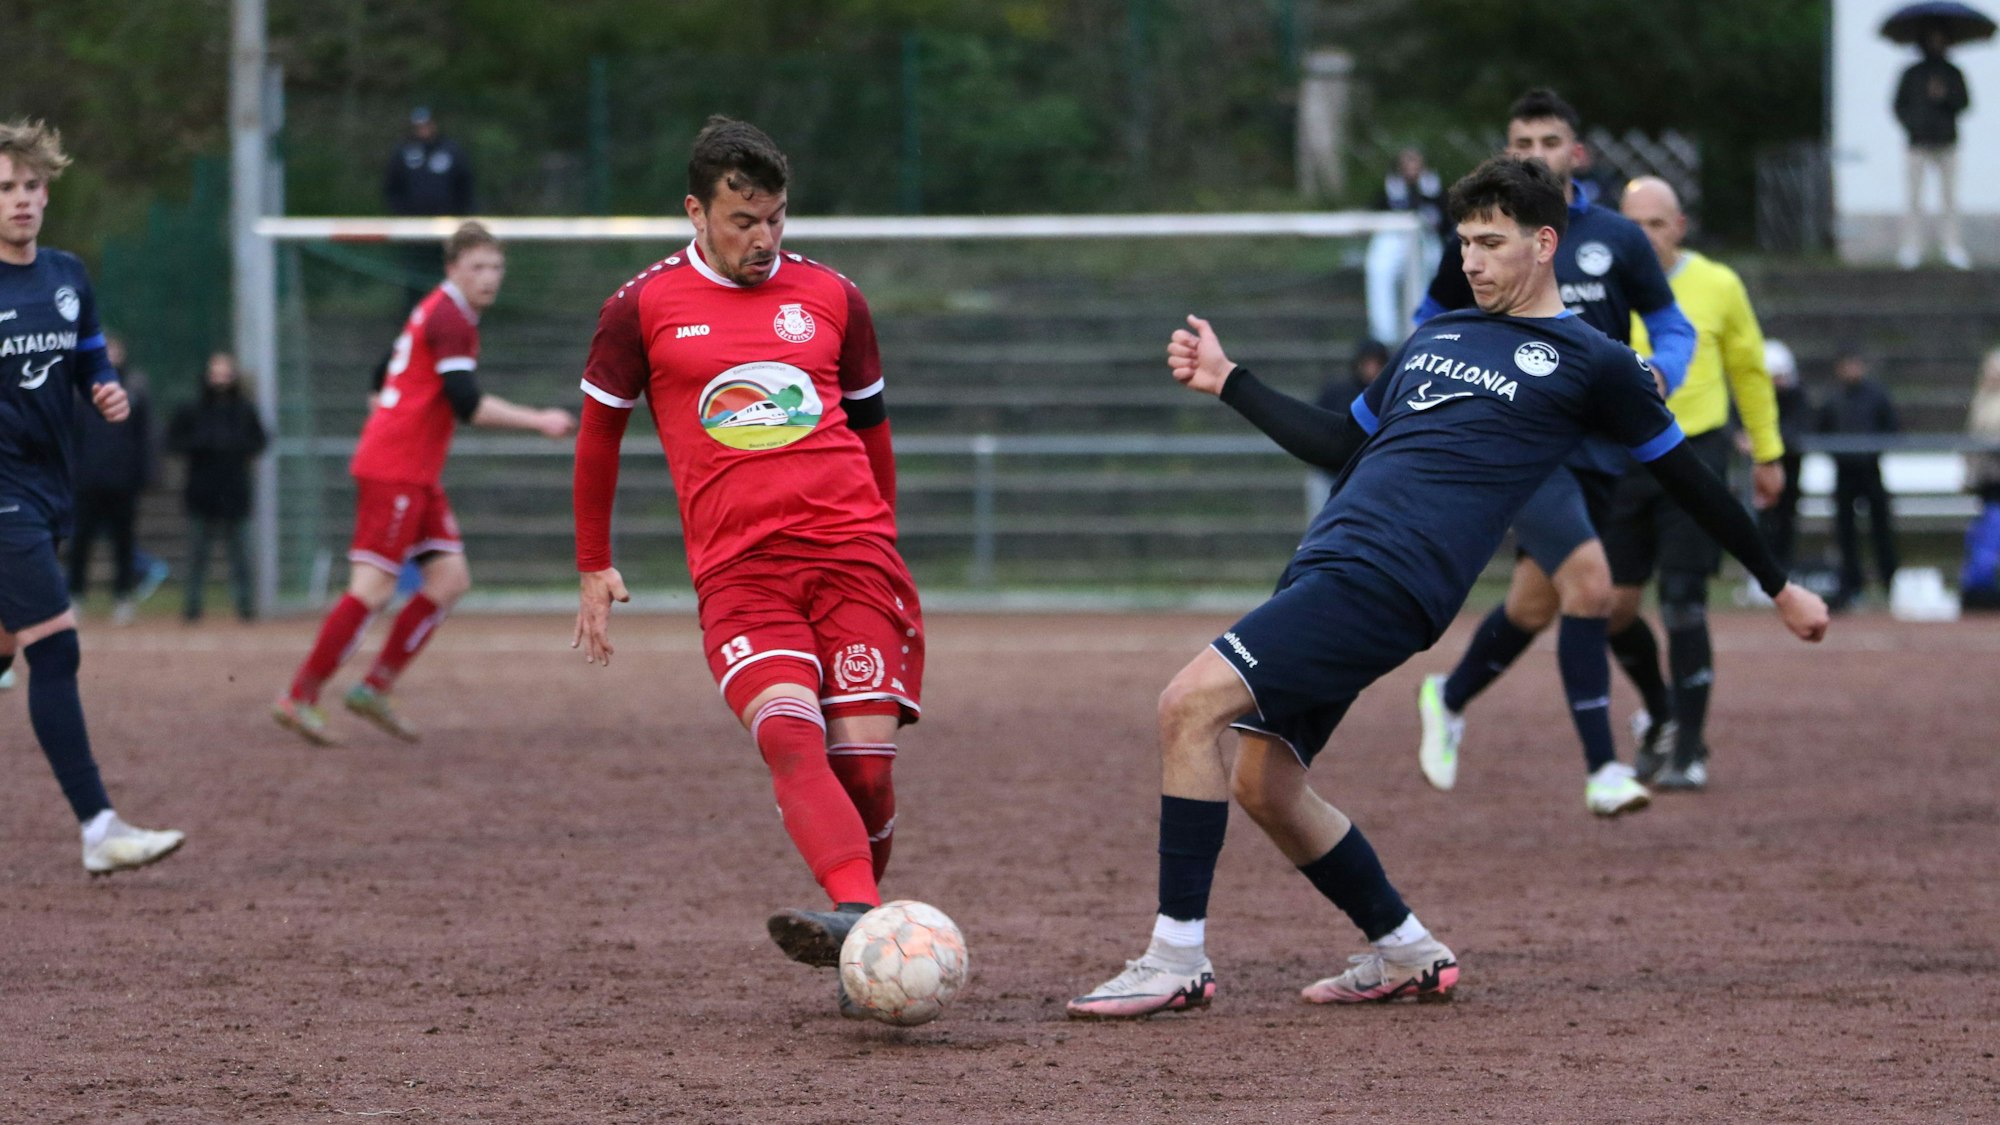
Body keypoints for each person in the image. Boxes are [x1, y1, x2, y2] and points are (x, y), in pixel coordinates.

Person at [1065, 157, 1828, 1020]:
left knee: (1187, 703)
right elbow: (1339, 445)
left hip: (1392, 578)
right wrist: (1230, 380)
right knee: (1266, 782)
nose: (1473, 259)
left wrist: (1778, 583)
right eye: (1465, 241)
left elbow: (1692, 480)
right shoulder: (1434, 338)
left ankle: (1177, 957)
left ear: (1545, 244)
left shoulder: (1594, 361)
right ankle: (1406, 950)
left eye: (1492, 241)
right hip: (1327, 563)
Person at [571, 118, 920, 1014]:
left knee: (868, 766)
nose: (763, 239)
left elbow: (874, 431)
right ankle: (865, 920)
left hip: (852, 559)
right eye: (742, 220)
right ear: (696, 210)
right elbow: (599, 436)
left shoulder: (835, 296)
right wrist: (593, 563)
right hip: (741, 574)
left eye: (775, 218)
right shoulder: (640, 307)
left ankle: (857, 929)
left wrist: (881, 539)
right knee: (787, 732)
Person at [1411, 89, 1695, 817]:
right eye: (1521, 143)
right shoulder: (1479, 240)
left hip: (1603, 449)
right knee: (1592, 586)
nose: (1534, 154)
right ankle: (1603, 767)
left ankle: (1448, 694)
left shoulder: (1617, 238)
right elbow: (1427, 326)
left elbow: (1671, 323)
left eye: (1548, 142)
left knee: (1537, 603)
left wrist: (1663, 367)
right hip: (1522, 444)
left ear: (1577, 154)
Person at [273, 221, 574, 745]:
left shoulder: (440, 310)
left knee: (449, 579)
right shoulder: (451, 318)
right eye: (477, 267)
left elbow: (383, 367)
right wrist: (538, 420)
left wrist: (387, 401)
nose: (489, 277)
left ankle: (374, 687)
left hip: (413, 470)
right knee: (373, 587)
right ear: (452, 268)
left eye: (496, 267)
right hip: (396, 469)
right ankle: (300, 695)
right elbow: (467, 404)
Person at [0, 119, 185, 873]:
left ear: (48, 192)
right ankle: (98, 826)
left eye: (31, 186)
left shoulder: (69, 275)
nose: (20, 199)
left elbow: (87, 360)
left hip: (49, 487)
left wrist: (104, 389)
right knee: (57, 646)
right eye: (6, 187)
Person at [1594, 177, 1786, 791]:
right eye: (1634, 224)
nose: (1645, 235)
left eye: (1657, 223)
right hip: (1619, 457)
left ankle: (1690, 750)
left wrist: (1768, 452)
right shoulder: (1599, 285)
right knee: (1613, 606)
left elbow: (1749, 370)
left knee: (1682, 600)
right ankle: (1663, 711)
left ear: (1679, 225)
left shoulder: (1719, 285)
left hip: (1692, 450)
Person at [66, 333, 168, 625]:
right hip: (86, 482)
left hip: (123, 483)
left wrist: (146, 475)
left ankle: (123, 597)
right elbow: (72, 437)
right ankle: (76, 596)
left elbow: (147, 437)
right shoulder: (79, 389)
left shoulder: (135, 388)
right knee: (80, 543)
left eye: (114, 349)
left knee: (123, 544)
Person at [168, 351, 267, 622]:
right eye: (216, 372)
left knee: (241, 556)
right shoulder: (192, 408)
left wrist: (235, 448)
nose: (220, 378)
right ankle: (192, 606)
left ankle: (246, 605)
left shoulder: (245, 409)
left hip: (235, 493)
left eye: (225, 372)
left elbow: (260, 440)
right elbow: (174, 441)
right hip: (202, 493)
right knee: (197, 555)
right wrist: (201, 444)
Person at [1818, 349, 1901, 609]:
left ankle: (1890, 582)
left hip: (1870, 469)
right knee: (1845, 533)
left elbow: (1891, 426)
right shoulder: (1833, 398)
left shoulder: (1876, 395)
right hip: (1844, 472)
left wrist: (1872, 449)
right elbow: (1822, 429)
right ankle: (1851, 586)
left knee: (1881, 529)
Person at [1893, 30, 1972, 270]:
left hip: (1947, 141)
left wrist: (1945, 96)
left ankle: (1952, 246)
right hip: (1918, 142)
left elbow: (1965, 103)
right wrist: (1913, 125)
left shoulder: (1952, 73)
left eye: (1940, 39)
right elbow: (1898, 105)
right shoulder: (1912, 73)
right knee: (1914, 198)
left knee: (1949, 198)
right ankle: (1912, 248)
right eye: (1932, 39)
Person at [384, 107, 475, 310]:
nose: (423, 130)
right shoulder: (403, 151)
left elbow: (465, 186)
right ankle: (412, 315)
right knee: (414, 273)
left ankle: (448, 313)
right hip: (413, 228)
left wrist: (459, 216)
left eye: (426, 125)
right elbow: (392, 188)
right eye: (419, 126)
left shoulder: (451, 151)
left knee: (446, 271)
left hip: (447, 227)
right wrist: (403, 214)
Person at [1364, 149, 1444, 346]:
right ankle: (1384, 334)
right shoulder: (1388, 190)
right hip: (1393, 239)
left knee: (1427, 274)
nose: (1412, 168)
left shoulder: (1435, 191)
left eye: (1415, 162)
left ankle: (1424, 325)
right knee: (1380, 268)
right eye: (1407, 162)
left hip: (1425, 241)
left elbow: (1444, 220)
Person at [1306, 339, 1389, 514]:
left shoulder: (1388, 397)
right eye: (1368, 364)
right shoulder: (1337, 392)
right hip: (1330, 475)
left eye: (1377, 364)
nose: (1372, 370)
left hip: (1368, 478)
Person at [1759, 339, 1809, 575]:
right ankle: (1763, 570)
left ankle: (1783, 568)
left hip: (1788, 465)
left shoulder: (1795, 397)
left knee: (1786, 517)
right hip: (1760, 468)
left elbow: (1797, 427)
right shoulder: (1754, 398)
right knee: (1762, 519)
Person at [1959, 349, 2000, 610]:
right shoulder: (1982, 400)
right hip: (1988, 481)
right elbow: (1972, 441)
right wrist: (1968, 475)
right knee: (1986, 534)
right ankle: (1981, 590)